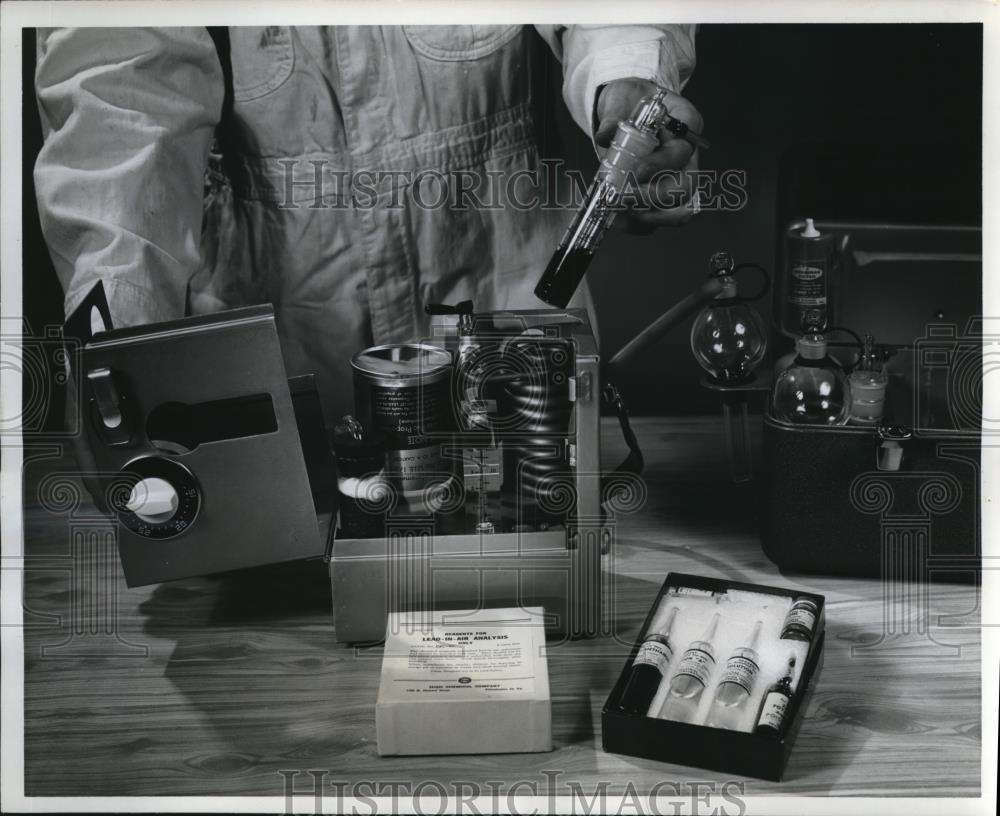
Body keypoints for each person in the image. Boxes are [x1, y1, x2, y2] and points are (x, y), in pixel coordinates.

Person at [34, 25, 701, 420]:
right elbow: (121, 102)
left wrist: (628, 75)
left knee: (535, 580)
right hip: (285, 369)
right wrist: (119, 339)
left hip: (511, 333)